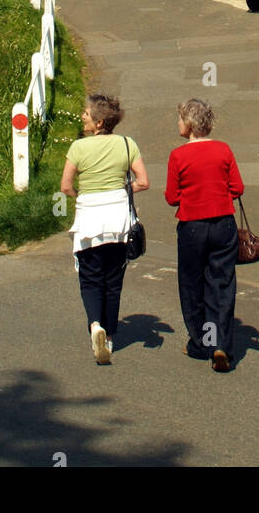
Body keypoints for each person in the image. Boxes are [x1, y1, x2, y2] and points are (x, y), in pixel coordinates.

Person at [61, 93, 149, 363]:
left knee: (90, 278)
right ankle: (109, 338)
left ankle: (95, 325)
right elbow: (143, 181)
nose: (82, 116)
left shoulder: (78, 148)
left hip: (90, 222)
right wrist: (122, 191)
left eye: (86, 113)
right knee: (113, 282)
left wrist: (83, 196)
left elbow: (65, 186)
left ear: (99, 122)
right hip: (118, 222)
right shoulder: (127, 144)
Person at [165, 98, 244, 373]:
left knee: (192, 285)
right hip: (223, 223)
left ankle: (201, 342)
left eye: (179, 119)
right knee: (221, 283)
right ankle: (221, 343)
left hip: (192, 226)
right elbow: (237, 187)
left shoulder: (178, 156)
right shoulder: (223, 150)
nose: (177, 124)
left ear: (188, 124)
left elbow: (172, 198)